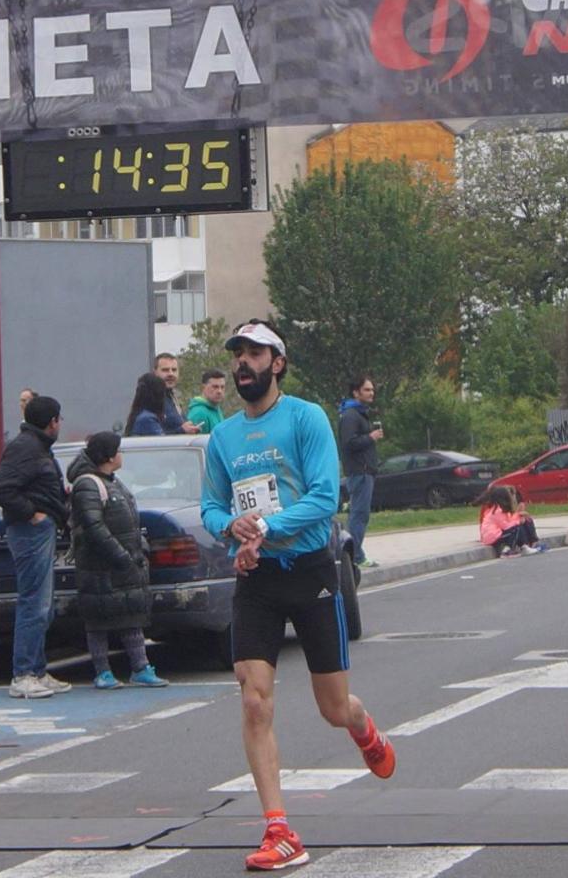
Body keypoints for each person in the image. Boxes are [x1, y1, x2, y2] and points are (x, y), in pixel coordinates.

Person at [200, 319, 396, 871]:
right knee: (254, 697)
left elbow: (324, 499)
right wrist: (231, 526)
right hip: (257, 578)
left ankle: (365, 729)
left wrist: (267, 523)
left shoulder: (306, 418)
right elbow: (211, 506)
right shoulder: (223, 437)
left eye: (254, 354)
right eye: (237, 354)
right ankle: (279, 829)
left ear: (277, 363)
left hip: (310, 569)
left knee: (334, 707)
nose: (243, 364)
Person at [68, 431, 168, 690]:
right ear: (109, 456)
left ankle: (141, 667)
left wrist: (138, 550)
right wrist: (120, 555)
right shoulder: (88, 484)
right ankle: (103, 671)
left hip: (123, 564)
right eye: (118, 450)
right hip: (99, 567)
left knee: (130, 616)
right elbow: (93, 525)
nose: (121, 454)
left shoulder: (112, 481)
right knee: (99, 620)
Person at [0, 394, 71, 699]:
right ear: (52, 422)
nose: (60, 425)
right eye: (59, 419)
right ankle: (23, 673)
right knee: (34, 602)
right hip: (30, 531)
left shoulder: (37, 447)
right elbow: (0, 488)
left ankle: (37, 669)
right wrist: (32, 513)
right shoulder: (27, 449)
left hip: (42, 528)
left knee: (44, 603)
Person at [337, 377, 383, 570]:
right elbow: (348, 443)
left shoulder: (360, 414)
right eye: (367, 390)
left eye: (372, 390)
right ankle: (354, 556)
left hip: (365, 471)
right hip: (359, 471)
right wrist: (370, 438)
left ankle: (356, 553)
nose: (371, 393)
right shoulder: (350, 415)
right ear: (356, 393)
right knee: (359, 514)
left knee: (359, 513)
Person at [475, 485, 543, 558]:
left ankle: (527, 546)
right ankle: (507, 551)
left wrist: (519, 516)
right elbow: (506, 526)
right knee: (516, 528)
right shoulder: (497, 511)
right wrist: (518, 520)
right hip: (492, 537)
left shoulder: (501, 509)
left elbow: (509, 521)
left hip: (497, 534)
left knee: (522, 523)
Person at [152, 353, 200, 434]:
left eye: (174, 370)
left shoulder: (172, 398)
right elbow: (151, 440)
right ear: (155, 372)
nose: (171, 374)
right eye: (165, 370)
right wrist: (181, 430)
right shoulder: (151, 399)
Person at [186, 370, 227, 434]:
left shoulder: (215, 408)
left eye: (222, 387)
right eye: (215, 387)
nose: (219, 391)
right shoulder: (199, 413)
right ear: (203, 387)